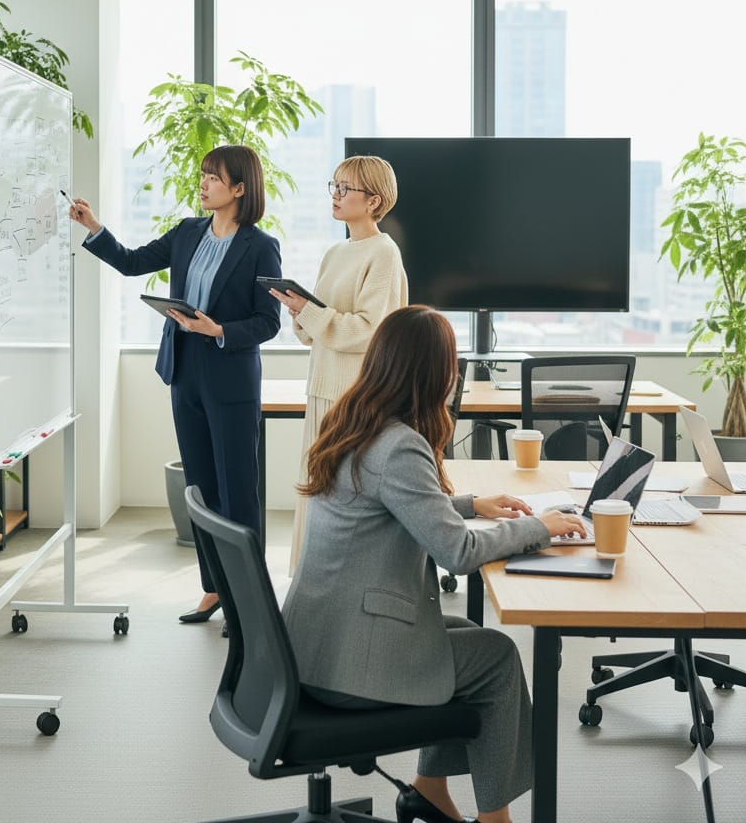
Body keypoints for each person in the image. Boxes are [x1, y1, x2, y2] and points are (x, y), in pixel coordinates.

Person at [281, 306, 585, 823]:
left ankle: (430, 788)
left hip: (315, 644)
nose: (455, 376)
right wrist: (541, 527)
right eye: (451, 364)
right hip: (349, 667)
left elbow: (389, 500)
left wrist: (471, 504)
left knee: (463, 632)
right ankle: (496, 819)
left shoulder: (355, 422)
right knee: (497, 658)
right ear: (430, 373)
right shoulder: (399, 446)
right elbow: (458, 553)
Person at [69, 144, 281, 624]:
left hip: (230, 376)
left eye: (213, 177)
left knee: (237, 490)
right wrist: (94, 227)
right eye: (203, 174)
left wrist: (219, 329)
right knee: (201, 486)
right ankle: (213, 588)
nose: (203, 183)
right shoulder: (187, 232)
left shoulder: (260, 246)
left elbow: (268, 322)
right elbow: (131, 262)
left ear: (240, 189)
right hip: (184, 371)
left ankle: (248, 602)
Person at [269, 155, 407, 574]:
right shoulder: (334, 253)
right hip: (322, 388)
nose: (336, 195)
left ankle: (342, 590)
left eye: (346, 189)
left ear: (373, 201)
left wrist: (311, 313)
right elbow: (315, 332)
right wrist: (300, 311)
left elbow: (369, 331)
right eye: (334, 185)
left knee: (346, 500)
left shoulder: (384, 253)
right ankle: (311, 585)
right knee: (317, 494)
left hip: (356, 394)